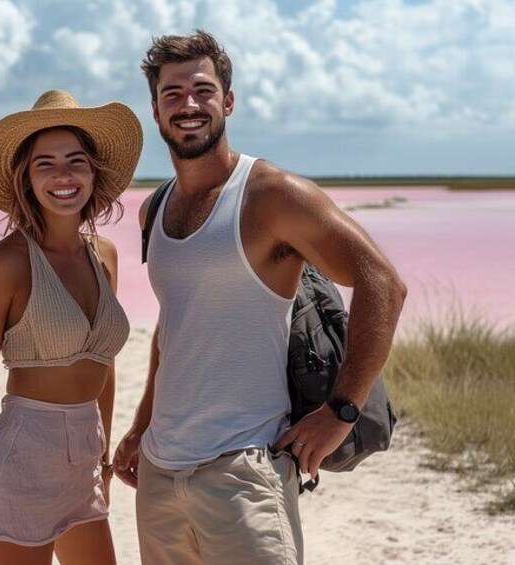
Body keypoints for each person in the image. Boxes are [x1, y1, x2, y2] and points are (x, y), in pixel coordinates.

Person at [112, 30, 407, 564]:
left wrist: (341, 410)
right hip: (160, 471)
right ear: (155, 111)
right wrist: (139, 427)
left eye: (202, 90)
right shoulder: (154, 209)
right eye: (172, 94)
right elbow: (175, 327)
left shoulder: (271, 194)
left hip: (244, 469)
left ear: (227, 100)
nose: (189, 105)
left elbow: (382, 281)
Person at [0, 89, 142, 565]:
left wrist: (105, 465)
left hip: (85, 471)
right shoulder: (3, 265)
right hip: (21, 463)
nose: (63, 176)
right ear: (26, 180)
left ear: (94, 172)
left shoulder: (105, 255)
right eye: (44, 164)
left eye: (76, 161)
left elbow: (104, 367)